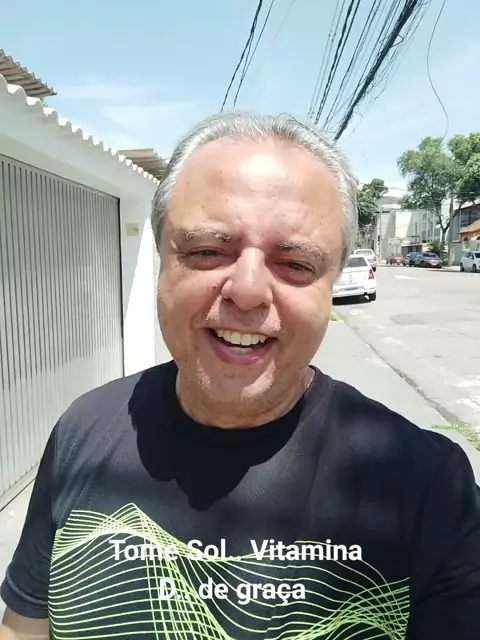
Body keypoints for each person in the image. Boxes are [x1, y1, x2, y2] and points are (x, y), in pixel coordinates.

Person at [1, 111, 479, 640]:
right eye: (208, 251)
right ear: (161, 264)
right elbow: (24, 627)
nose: (247, 291)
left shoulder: (429, 486)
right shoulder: (81, 430)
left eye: (295, 264)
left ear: (331, 284)